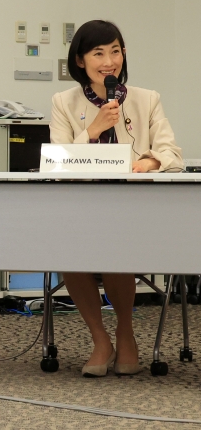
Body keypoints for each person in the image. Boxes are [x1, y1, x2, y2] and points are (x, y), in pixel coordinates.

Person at [50, 20, 183, 377]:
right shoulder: (63, 102)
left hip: (131, 204)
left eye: (115, 51)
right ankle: (100, 339)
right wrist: (92, 130)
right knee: (69, 251)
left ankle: (126, 332)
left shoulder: (146, 99)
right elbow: (58, 161)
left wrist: (152, 160)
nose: (109, 61)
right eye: (98, 53)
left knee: (115, 248)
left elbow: (172, 152)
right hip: (81, 205)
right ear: (80, 61)